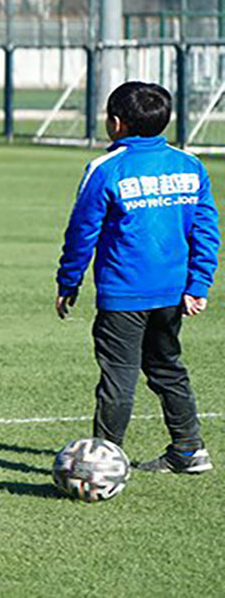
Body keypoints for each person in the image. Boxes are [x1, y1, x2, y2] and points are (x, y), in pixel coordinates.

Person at [55, 81, 217, 474]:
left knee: (118, 377)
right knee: (167, 367)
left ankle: (101, 464)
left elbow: (82, 233)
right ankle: (189, 450)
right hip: (173, 293)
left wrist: (69, 281)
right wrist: (198, 284)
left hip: (123, 293)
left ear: (116, 123)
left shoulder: (106, 168)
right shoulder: (189, 165)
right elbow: (206, 230)